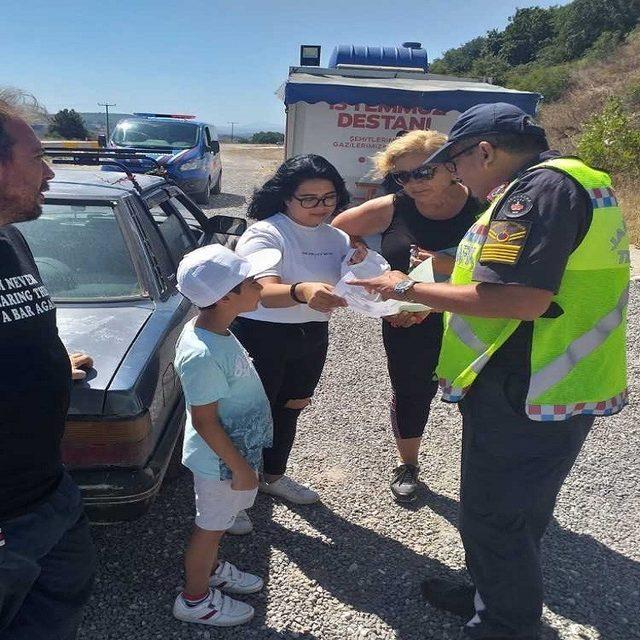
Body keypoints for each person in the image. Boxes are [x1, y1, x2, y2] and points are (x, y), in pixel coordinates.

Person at [349, 102, 630, 639]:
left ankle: (503, 624)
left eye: (458, 164)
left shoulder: (535, 194)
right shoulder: (580, 181)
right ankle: (486, 590)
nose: (458, 177)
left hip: (527, 383)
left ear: (485, 151)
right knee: (519, 509)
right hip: (557, 380)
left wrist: (409, 290)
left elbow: (519, 298)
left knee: (494, 515)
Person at [332, 130, 482, 503]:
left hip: (474, 320)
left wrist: (450, 264)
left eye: (423, 173)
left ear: (451, 168)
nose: (413, 184)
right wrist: (358, 250)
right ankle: (408, 466)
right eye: (403, 176)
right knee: (412, 392)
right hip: (408, 319)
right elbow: (334, 231)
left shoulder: (483, 208)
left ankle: (484, 474)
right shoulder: (394, 206)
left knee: (479, 398)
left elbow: (508, 269)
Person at [0, 96, 96, 639]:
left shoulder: (11, 241)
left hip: (50, 494)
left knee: (55, 613)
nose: (51, 171)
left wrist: (54, 364)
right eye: (37, 156)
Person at [232, 154, 351, 516]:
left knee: (291, 407)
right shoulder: (266, 232)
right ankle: (233, 497)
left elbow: (352, 279)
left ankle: (272, 476)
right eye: (309, 199)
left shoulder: (338, 237)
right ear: (286, 197)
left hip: (312, 335)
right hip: (259, 335)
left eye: (329, 198)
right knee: (249, 415)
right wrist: (302, 291)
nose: (321, 207)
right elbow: (262, 291)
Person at [172, 244, 281, 628]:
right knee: (210, 527)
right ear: (224, 297)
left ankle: (213, 567)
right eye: (251, 281)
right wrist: (238, 467)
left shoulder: (217, 330)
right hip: (220, 461)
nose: (260, 286)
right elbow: (204, 420)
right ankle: (195, 598)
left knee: (218, 523)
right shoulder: (202, 352)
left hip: (232, 455)